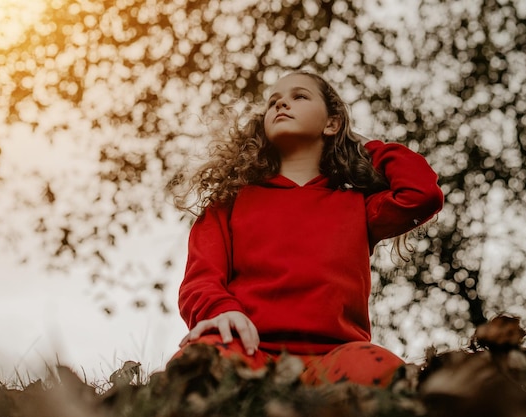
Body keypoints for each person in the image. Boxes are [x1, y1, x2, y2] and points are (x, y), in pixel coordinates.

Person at [168, 71, 443, 387]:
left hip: (337, 357)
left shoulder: (356, 205)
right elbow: (200, 280)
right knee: (197, 365)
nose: (281, 102)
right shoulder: (227, 204)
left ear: (332, 123)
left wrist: (361, 148)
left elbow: (421, 195)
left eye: (300, 96)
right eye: (273, 101)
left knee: (385, 372)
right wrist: (220, 311)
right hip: (248, 349)